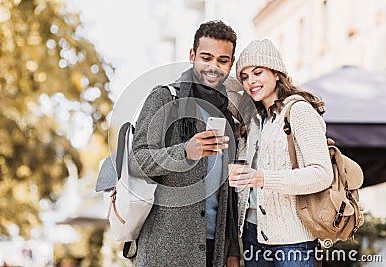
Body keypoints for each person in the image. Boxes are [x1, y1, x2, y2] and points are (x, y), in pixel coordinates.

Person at [129, 20, 240, 267]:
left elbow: (227, 193)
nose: (214, 67)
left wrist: (232, 250)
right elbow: (137, 160)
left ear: (230, 64)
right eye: (206, 57)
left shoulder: (228, 117)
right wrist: (185, 152)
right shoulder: (165, 98)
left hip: (213, 250)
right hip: (165, 250)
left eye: (222, 60)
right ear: (192, 55)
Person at [229, 39, 333, 266]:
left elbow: (322, 174)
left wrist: (262, 178)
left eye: (258, 72)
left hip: (294, 242)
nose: (251, 82)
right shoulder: (254, 121)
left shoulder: (299, 111)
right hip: (253, 235)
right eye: (244, 77)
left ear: (277, 73)